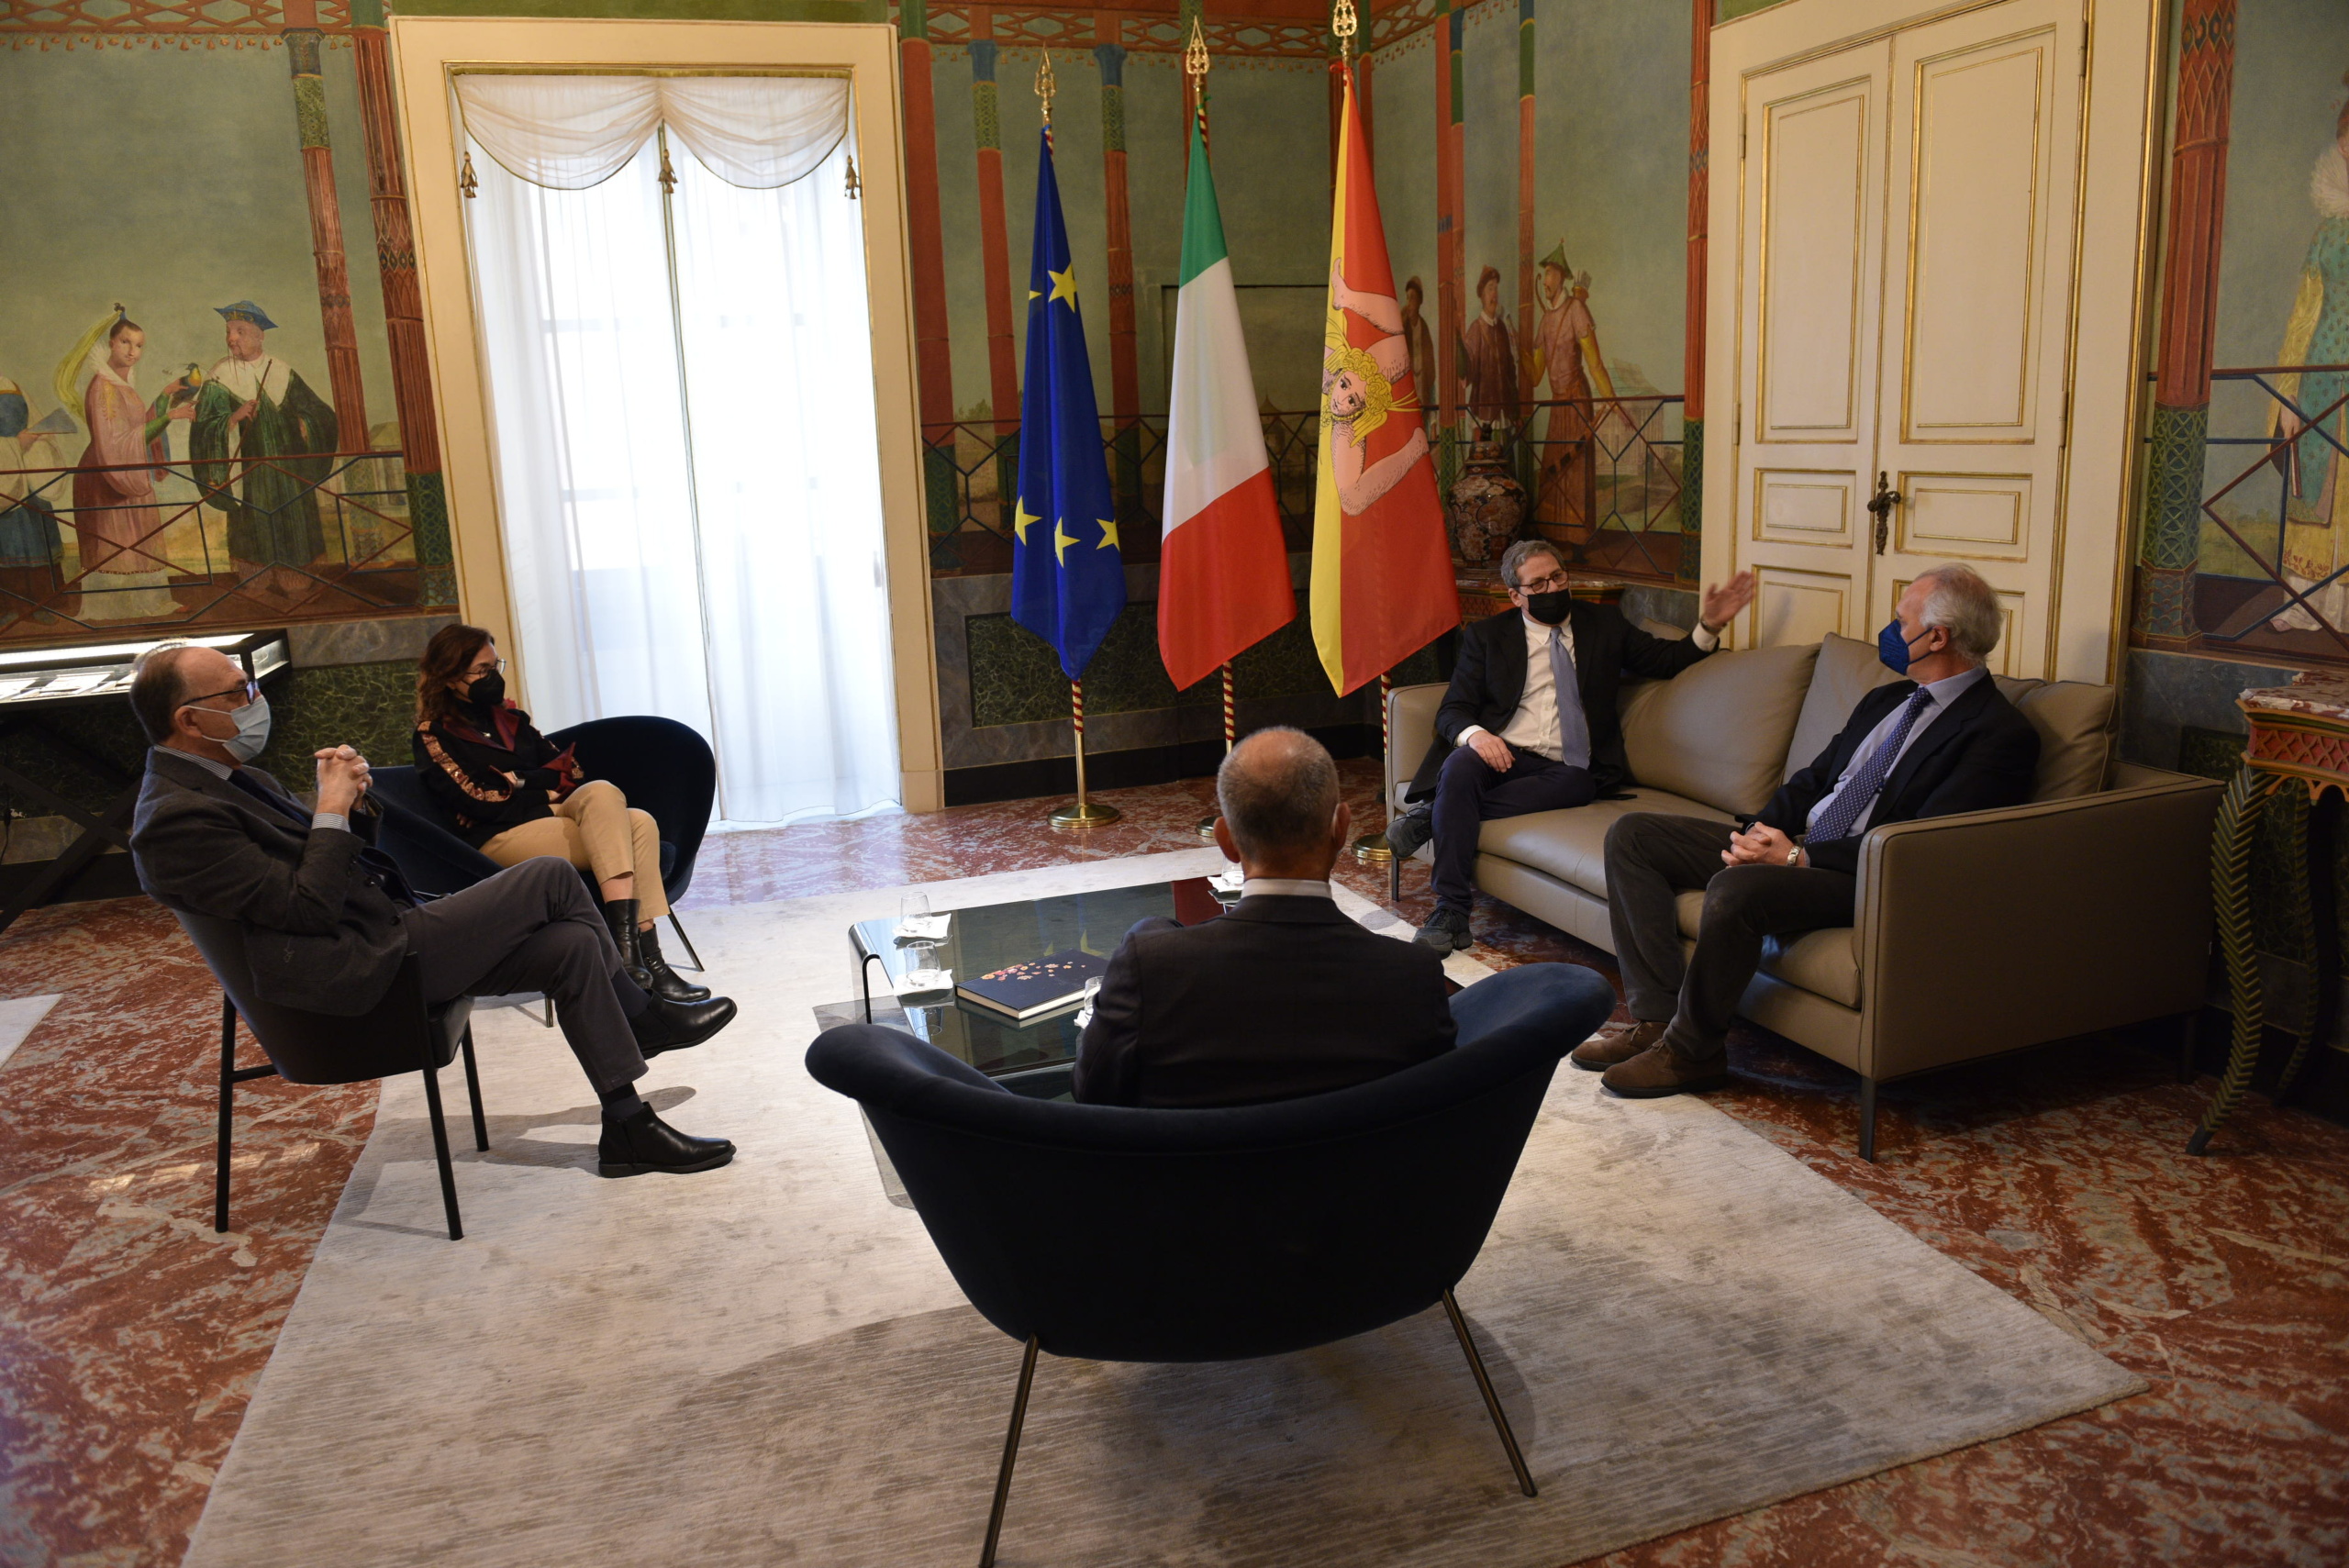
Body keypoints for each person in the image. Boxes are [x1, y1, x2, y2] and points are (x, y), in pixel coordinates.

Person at [127, 642, 740, 1178]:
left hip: (380, 931)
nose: (255, 700)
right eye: (240, 692)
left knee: (573, 946)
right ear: (189, 718)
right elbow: (307, 908)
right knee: (550, 877)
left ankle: (628, 1126)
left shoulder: (234, 778)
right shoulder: (175, 819)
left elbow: (329, 866)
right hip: (358, 972)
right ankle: (644, 1017)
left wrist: (351, 808)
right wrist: (329, 809)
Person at [1575, 562, 2040, 1099]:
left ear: (1937, 637)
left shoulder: (1998, 734)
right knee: (1633, 836)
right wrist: (1761, 834)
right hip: (1797, 847)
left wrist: (1797, 859)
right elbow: (1814, 780)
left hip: (1860, 875)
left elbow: (1921, 844)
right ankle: (1657, 1020)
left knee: (1735, 889)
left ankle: (1692, 1052)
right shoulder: (1888, 699)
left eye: (1900, 621)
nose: (1889, 632)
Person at [1073, 727, 1616, 1109]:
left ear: (1226, 842)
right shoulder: (1410, 977)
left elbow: (1092, 1094)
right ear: (1341, 829)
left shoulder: (1153, 963)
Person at [1388, 539, 1757, 952]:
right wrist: (1478, 735)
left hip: (1564, 768)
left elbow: (1665, 660)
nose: (1552, 588)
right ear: (1516, 595)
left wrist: (1709, 626)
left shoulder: (1603, 623)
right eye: (1538, 584)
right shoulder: (1488, 636)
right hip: (1501, 754)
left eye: (1557, 577)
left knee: (1577, 783)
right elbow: (1453, 709)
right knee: (1460, 765)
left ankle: (1434, 814)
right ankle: (1451, 911)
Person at [408, 623, 705, 1005]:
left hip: (547, 818)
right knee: (633, 830)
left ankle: (633, 959)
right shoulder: (434, 735)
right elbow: (477, 802)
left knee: (611, 797)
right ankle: (647, 964)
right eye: (482, 670)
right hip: (500, 838)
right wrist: (542, 793)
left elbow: (572, 773)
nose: (493, 676)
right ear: (450, 677)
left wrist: (518, 782)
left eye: (495, 666)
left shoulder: (512, 721)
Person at [188, 300, 335, 599]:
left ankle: (296, 581)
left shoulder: (281, 371)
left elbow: (321, 414)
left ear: (260, 336)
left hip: (288, 474)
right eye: (229, 332)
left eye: (240, 331)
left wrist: (305, 423)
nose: (232, 339)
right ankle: (256, 580)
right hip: (250, 476)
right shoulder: (219, 376)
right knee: (252, 526)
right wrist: (233, 418)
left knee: (294, 524)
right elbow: (204, 427)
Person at [58, 308, 192, 621]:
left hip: (126, 467)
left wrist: (165, 397)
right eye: (125, 343)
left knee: (135, 543)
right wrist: (169, 417)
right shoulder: (103, 387)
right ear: (111, 343)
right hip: (107, 475)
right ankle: (111, 609)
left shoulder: (120, 383)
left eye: (139, 345)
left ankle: (145, 604)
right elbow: (115, 442)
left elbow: (136, 429)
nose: (133, 351)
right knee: (114, 543)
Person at [1459, 264, 1520, 430]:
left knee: (1505, 447)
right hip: (1484, 414)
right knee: (1485, 447)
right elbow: (1467, 370)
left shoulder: (1502, 328)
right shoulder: (1475, 329)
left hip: (1505, 412)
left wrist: (1516, 409)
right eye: (1490, 289)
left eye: (1496, 289)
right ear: (1482, 295)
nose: (1494, 294)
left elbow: (1510, 370)